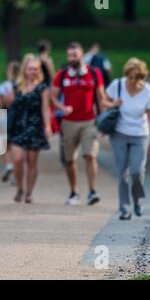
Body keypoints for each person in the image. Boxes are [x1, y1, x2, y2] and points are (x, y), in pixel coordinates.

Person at [50, 42, 106, 206]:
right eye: (69, 55)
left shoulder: (94, 73)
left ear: (82, 56)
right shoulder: (62, 74)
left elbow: (101, 97)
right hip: (69, 122)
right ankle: (74, 191)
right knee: (69, 159)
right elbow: (52, 96)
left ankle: (92, 191)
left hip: (89, 120)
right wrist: (62, 107)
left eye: (75, 55)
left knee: (90, 155)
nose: (72, 58)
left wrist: (103, 121)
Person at [104, 58, 150, 220]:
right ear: (126, 75)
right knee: (122, 173)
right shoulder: (117, 85)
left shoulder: (148, 90)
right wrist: (112, 104)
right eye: (132, 77)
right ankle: (124, 208)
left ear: (144, 77)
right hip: (119, 134)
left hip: (140, 135)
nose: (135, 82)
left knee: (136, 171)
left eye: (139, 78)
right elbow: (102, 100)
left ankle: (137, 200)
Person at [8, 54, 51, 203]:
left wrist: (48, 126)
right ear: (24, 70)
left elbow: (45, 109)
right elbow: (8, 104)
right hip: (18, 126)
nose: (32, 71)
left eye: (35, 69)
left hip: (34, 127)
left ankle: (29, 192)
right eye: (30, 69)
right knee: (18, 159)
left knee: (32, 162)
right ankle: (20, 187)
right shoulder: (16, 85)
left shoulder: (42, 87)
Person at [0, 61, 20, 183]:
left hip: (5, 115)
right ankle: (17, 174)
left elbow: (1, 104)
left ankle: (8, 165)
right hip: (19, 117)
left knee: (3, 144)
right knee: (17, 145)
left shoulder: (4, 86)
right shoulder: (22, 85)